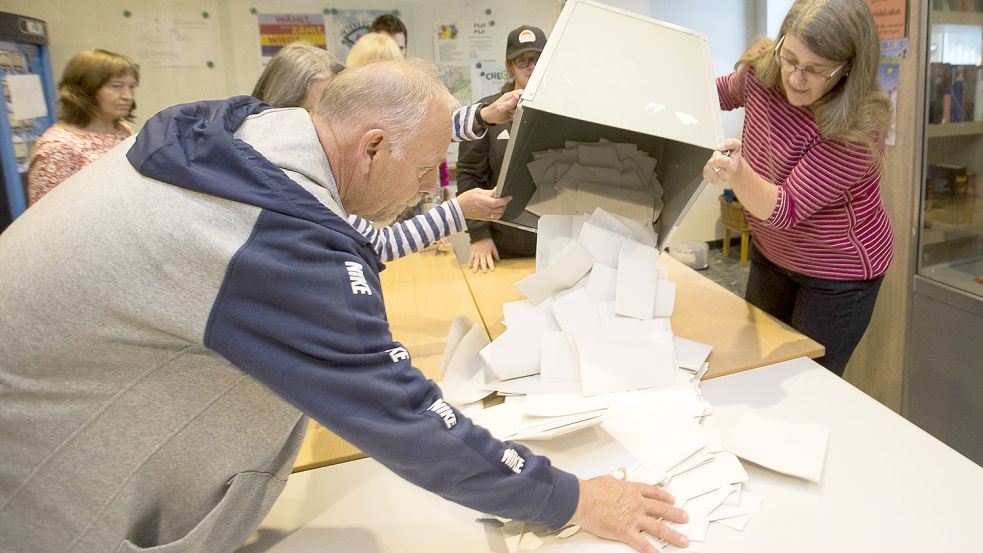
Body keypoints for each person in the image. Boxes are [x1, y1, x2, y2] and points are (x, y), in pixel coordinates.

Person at [0, 59, 689, 553]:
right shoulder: (267, 237)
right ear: (371, 147)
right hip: (45, 498)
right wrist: (569, 497)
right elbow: (400, 413)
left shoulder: (237, 137)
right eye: (424, 173)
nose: (426, 192)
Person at [703, 0, 892, 377]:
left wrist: (737, 172)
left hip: (838, 273)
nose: (795, 78)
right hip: (773, 252)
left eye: (815, 69)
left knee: (809, 384)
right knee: (756, 365)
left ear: (848, 67)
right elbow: (714, 95)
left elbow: (784, 209)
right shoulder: (762, 72)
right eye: (789, 58)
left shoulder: (858, 127)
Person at [254, 40, 511, 261]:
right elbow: (374, 242)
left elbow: (410, 132)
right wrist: (457, 212)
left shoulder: (292, 140)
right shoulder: (297, 184)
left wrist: (481, 115)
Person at [457, 25, 546, 272]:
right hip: (505, 245)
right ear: (509, 66)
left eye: (539, 59)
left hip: (560, 243)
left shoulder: (563, 113)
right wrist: (479, 235)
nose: (532, 66)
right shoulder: (488, 113)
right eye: (522, 60)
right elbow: (469, 176)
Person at [26, 48, 139, 205]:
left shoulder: (123, 131)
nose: (127, 96)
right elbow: (48, 217)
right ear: (86, 90)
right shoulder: (58, 147)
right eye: (116, 86)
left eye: (132, 87)